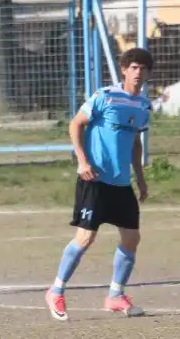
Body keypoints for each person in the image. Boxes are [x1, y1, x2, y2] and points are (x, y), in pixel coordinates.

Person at [45, 48, 153, 321]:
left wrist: (139, 178)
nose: (138, 72)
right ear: (124, 70)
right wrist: (82, 161)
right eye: (134, 67)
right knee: (85, 237)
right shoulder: (105, 96)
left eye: (143, 68)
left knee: (131, 238)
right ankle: (56, 290)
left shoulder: (143, 106)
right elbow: (75, 124)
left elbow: (136, 143)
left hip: (120, 183)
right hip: (94, 179)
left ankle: (115, 295)